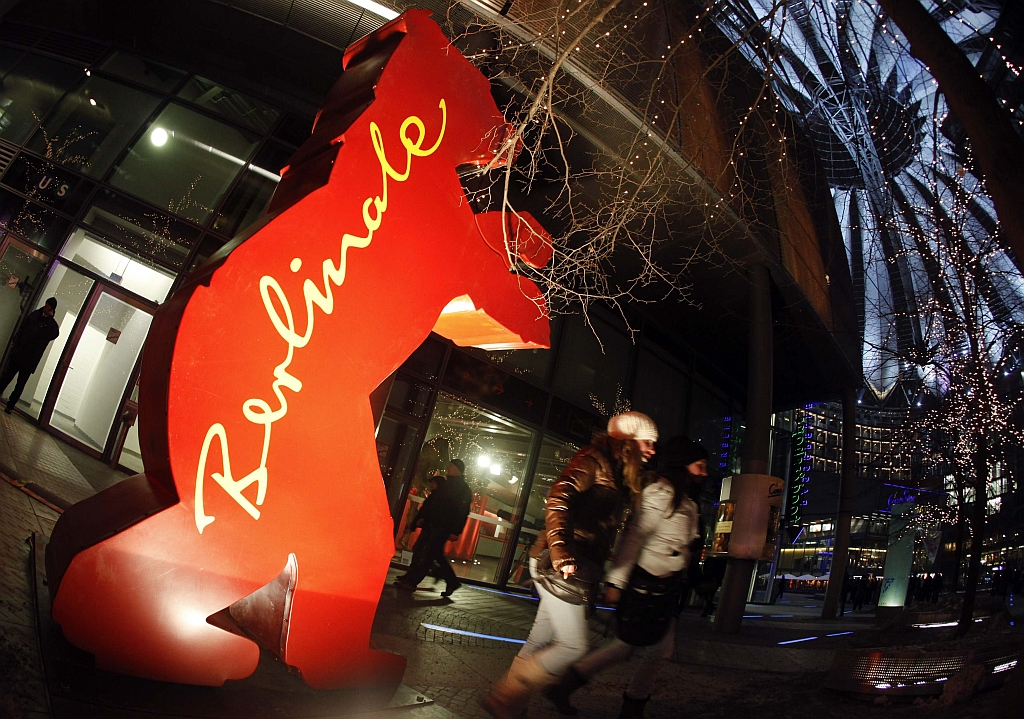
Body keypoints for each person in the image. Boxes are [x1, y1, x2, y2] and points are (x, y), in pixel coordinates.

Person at [481, 411, 657, 719]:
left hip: (572, 563)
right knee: (573, 646)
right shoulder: (594, 459)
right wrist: (563, 552)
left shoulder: (617, 471)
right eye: (648, 442)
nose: (653, 450)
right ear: (629, 440)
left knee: (540, 639)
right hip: (560, 562)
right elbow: (559, 498)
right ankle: (504, 697)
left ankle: (512, 706)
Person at [544, 435, 706, 718]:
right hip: (646, 586)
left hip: (665, 589)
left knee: (632, 647)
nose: (704, 472)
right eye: (699, 465)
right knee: (651, 649)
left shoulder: (687, 502)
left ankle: (574, 686)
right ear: (683, 464)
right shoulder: (660, 494)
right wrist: (616, 583)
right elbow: (634, 538)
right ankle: (628, 705)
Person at [395, 459, 472, 597]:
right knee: (430, 553)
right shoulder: (449, 485)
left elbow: (461, 511)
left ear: (458, 469)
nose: (448, 467)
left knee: (428, 554)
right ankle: (451, 581)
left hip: (442, 527)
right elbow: (434, 503)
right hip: (434, 525)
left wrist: (455, 531)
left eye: (451, 465)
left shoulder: (461, 488)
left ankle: (412, 582)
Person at [0, 297, 59, 414]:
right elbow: (22, 327)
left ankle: (10, 405)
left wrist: (50, 318)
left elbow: (54, 334)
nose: (46, 307)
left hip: (30, 360)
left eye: (49, 306)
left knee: (20, 384)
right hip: (19, 353)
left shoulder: (50, 324)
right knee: (6, 377)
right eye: (47, 304)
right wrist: (15, 342)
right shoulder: (35, 315)